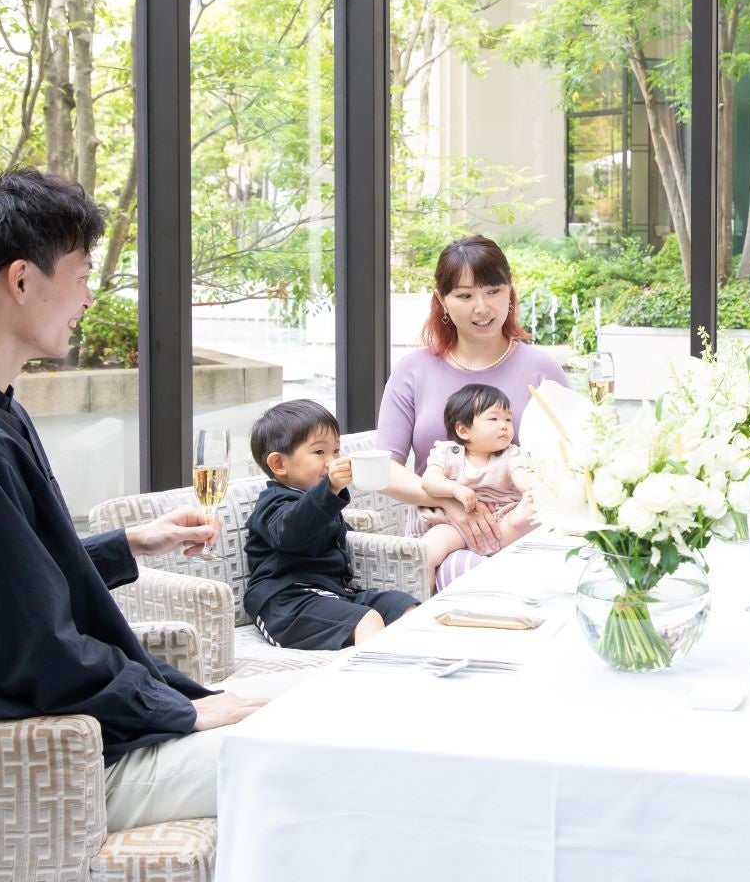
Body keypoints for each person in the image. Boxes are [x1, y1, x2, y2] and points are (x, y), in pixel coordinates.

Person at [0, 169, 276, 834]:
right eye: (83, 274)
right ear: (23, 281)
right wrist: (181, 711)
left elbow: (9, 580)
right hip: (68, 760)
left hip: (83, 729)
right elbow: (38, 652)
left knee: (345, 702)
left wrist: (129, 544)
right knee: (346, 746)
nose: (89, 298)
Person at [377, 234, 567, 565]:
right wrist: (450, 501)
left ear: (510, 290)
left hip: (522, 535)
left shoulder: (542, 369)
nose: (482, 308)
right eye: (465, 296)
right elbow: (383, 470)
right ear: (442, 300)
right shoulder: (413, 370)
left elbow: (572, 460)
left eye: (493, 291)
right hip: (436, 534)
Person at [243, 399, 420, 649]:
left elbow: (333, 537)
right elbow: (291, 533)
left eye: (336, 451)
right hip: (284, 603)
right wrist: (330, 489)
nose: (331, 460)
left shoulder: (320, 499)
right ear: (279, 464)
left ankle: (418, 662)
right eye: (319, 452)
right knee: (367, 619)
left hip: (335, 594)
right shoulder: (272, 502)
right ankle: (374, 676)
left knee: (404, 606)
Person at [411, 384, 540, 591]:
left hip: (500, 524)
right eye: (493, 419)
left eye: (508, 419)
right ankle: (422, 600)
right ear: (463, 430)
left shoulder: (511, 454)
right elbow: (429, 481)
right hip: (454, 525)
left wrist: (531, 488)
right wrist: (454, 489)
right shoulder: (447, 453)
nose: (504, 425)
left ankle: (520, 519)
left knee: (518, 520)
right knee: (427, 550)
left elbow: (520, 475)